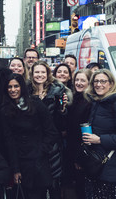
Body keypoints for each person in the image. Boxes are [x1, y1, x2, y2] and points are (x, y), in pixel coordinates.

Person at [2, 74, 59, 199]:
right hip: (20, 161)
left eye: (16, 86)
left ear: (22, 87)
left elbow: (52, 132)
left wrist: (41, 150)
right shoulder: (5, 109)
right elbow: (9, 140)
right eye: (9, 87)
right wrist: (16, 169)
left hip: (38, 161)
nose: (13, 90)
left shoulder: (36, 105)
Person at [82, 69, 116, 199]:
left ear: (111, 84)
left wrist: (100, 139)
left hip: (114, 170)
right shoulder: (97, 102)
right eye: (96, 81)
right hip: (99, 166)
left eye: (103, 81)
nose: (98, 84)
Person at [28, 60, 72, 199]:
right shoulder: (26, 91)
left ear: (48, 74)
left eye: (43, 72)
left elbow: (62, 121)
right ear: (32, 74)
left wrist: (63, 109)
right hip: (33, 142)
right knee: (37, 181)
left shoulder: (57, 91)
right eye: (37, 72)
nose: (40, 75)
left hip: (52, 142)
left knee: (54, 181)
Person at [64, 69, 92, 198]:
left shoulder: (89, 102)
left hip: (80, 153)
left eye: (83, 80)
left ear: (89, 83)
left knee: (81, 187)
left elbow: (86, 133)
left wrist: (79, 159)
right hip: (70, 148)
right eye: (77, 80)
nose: (79, 83)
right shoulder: (75, 98)